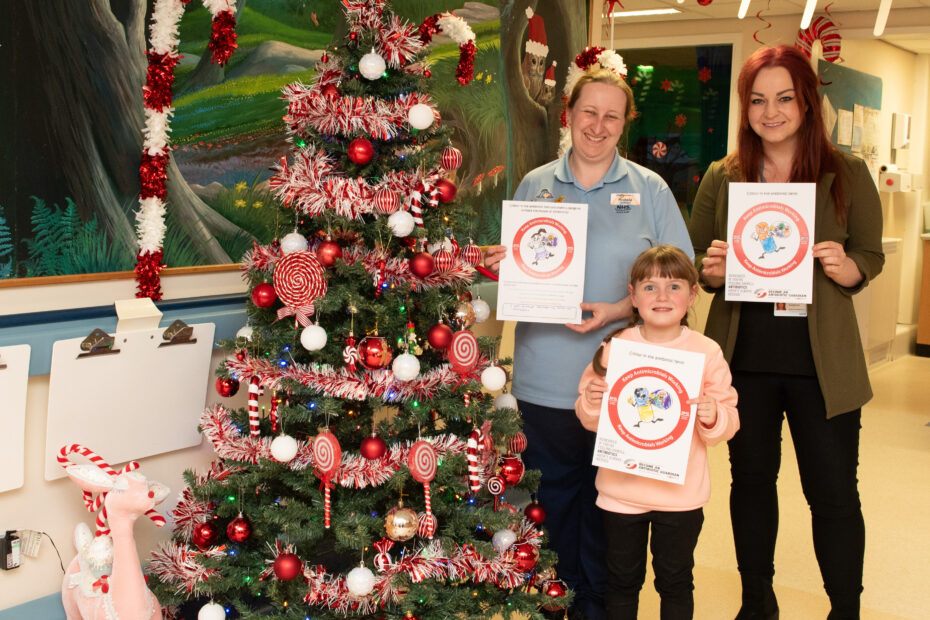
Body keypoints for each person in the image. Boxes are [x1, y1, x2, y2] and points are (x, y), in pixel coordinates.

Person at [484, 49, 693, 620]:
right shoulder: (534, 184)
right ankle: (556, 608)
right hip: (545, 382)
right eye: (588, 112)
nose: (598, 126)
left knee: (611, 520)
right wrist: (501, 264)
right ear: (568, 114)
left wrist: (617, 309)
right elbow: (522, 268)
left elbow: (679, 281)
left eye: (612, 117)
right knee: (549, 510)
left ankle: (600, 611)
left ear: (625, 125)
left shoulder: (650, 189)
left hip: (621, 386)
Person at [688, 45, 884, 620]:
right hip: (743, 359)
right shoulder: (724, 175)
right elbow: (696, 255)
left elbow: (868, 252)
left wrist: (850, 269)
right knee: (750, 482)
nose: (770, 112)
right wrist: (710, 268)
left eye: (784, 98)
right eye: (757, 100)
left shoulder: (845, 172)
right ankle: (757, 601)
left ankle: (844, 608)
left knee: (833, 493)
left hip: (822, 362)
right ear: (744, 107)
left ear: (807, 102)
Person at [575, 245, 739, 619]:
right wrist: (591, 399)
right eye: (649, 287)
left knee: (676, 581)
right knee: (620, 581)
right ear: (632, 296)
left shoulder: (707, 352)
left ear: (693, 293)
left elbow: (725, 425)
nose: (662, 297)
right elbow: (589, 418)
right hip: (620, 494)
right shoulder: (614, 348)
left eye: (675, 286)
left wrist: (714, 415)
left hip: (680, 498)